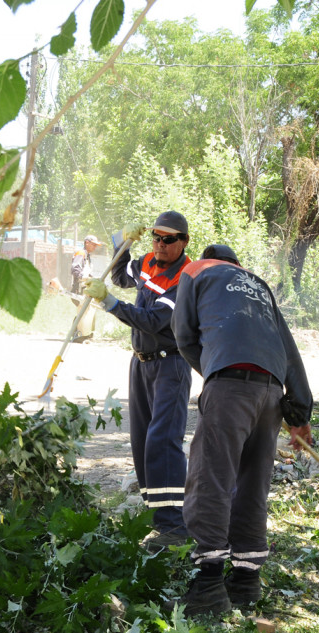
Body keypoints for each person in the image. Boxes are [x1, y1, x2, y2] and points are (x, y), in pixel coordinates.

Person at [168, 244, 314, 616]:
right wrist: (299, 414)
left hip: (229, 386)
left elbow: (183, 335)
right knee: (253, 482)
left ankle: (208, 585)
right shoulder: (257, 283)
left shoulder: (197, 270)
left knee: (211, 478)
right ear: (237, 264)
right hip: (272, 392)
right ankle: (246, 581)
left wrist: (218, 371)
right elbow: (289, 348)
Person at [84, 211, 193, 547]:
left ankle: (175, 526)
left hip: (170, 366)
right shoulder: (147, 262)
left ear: (184, 241)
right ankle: (155, 515)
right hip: (141, 364)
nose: (160, 244)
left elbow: (150, 321)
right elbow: (121, 273)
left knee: (163, 441)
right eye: (156, 237)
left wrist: (108, 303)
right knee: (142, 440)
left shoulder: (185, 279)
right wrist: (123, 241)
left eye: (169, 239)